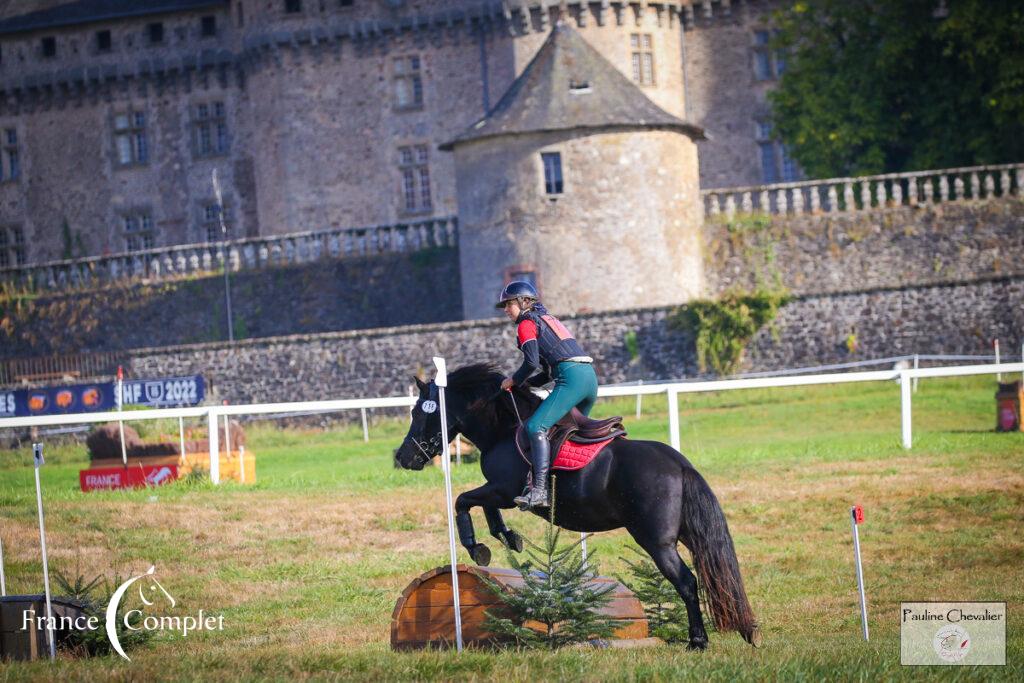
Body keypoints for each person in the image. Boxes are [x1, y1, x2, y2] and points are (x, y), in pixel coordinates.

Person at [497, 281, 598, 511]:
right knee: (566, 434)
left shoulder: (526, 323)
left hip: (571, 379)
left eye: (508, 304)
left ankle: (540, 491)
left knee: (535, 428)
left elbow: (531, 362)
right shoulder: (549, 321)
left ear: (524, 303)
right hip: (589, 379)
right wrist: (527, 385)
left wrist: (513, 380)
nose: (505, 309)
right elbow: (546, 372)